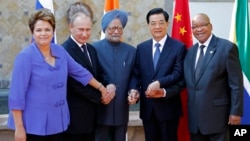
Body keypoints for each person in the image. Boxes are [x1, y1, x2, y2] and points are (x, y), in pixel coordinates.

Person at [7, 8, 109, 141]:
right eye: (39, 30)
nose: (43, 33)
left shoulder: (60, 51)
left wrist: (101, 88)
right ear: (32, 32)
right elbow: (16, 96)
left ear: (53, 31)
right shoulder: (25, 57)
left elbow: (80, 73)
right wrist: (19, 129)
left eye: (47, 29)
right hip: (33, 126)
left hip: (57, 123)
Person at [128, 8, 186, 141]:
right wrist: (134, 90)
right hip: (148, 109)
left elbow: (178, 73)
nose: (157, 26)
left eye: (161, 22)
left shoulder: (178, 47)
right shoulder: (142, 48)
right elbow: (136, 74)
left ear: (167, 23)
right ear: (148, 25)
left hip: (168, 109)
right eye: (153, 23)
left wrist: (159, 83)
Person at [184, 13, 243, 141]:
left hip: (219, 119)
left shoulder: (226, 48)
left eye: (203, 25)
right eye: (194, 27)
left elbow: (236, 84)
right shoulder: (190, 52)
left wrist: (235, 112)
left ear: (211, 26)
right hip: (195, 122)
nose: (199, 29)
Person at [62, 2, 113, 141]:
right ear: (71, 27)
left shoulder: (91, 49)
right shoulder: (64, 51)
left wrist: (109, 86)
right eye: (81, 29)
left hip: (93, 117)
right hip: (75, 120)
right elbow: (73, 84)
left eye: (88, 29)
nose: (85, 34)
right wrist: (100, 97)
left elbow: (100, 73)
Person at [92, 9, 136, 141]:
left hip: (122, 109)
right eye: (112, 28)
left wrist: (134, 91)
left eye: (119, 28)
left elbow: (134, 75)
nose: (116, 31)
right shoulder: (94, 48)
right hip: (101, 110)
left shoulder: (131, 51)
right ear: (105, 29)